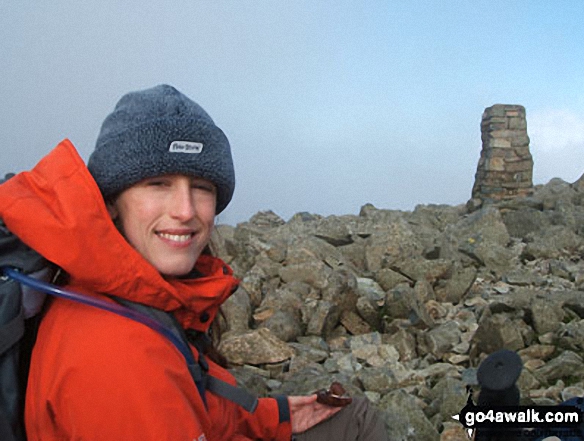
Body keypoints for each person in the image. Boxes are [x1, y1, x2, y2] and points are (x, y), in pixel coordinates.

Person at [0, 85, 388, 440]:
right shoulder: (119, 360)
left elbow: (192, 397)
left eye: (200, 188)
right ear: (112, 202)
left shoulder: (128, 294)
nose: (185, 211)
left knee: (350, 418)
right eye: (159, 184)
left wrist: (277, 415)